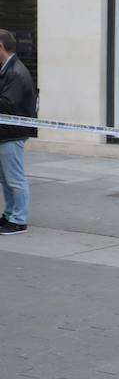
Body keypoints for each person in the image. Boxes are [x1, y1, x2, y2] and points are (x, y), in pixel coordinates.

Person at [0, 29, 36, 236]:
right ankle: (9, 214)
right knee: (6, 178)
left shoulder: (15, 72)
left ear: (1, 47)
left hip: (12, 134)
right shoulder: (8, 69)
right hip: (6, 133)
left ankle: (18, 220)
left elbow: (7, 104)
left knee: (15, 178)